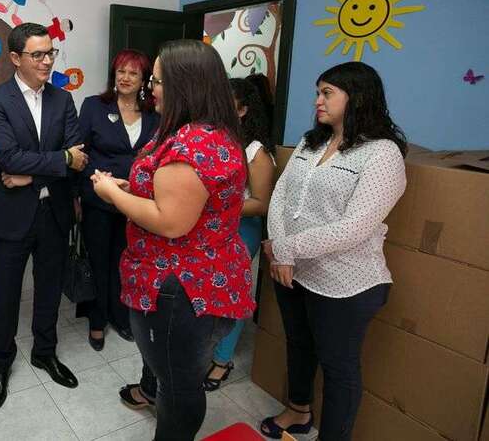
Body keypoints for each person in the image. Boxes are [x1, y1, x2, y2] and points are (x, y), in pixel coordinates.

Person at [91, 39, 254, 441]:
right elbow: (184, 198)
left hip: (180, 287)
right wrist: (134, 187)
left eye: (158, 82)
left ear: (186, 86)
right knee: (179, 376)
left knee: (178, 384)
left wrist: (112, 194)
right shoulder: (209, 133)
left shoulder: (190, 146)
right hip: (202, 277)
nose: (152, 90)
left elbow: (170, 222)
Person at [260, 61, 407, 440]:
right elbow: (280, 196)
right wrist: (282, 252)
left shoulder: (382, 154)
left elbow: (355, 227)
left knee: (338, 369)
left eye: (327, 93)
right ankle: (298, 411)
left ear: (356, 96)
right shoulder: (311, 142)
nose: (317, 101)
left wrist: (285, 247)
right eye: (317, 92)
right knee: (299, 345)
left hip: (345, 283)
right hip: (292, 271)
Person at [0, 22, 88, 411]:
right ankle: (1, 362)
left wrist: (33, 174)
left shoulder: (63, 99)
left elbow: (79, 157)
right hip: (11, 216)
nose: (46, 61)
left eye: (50, 53)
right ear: (15, 58)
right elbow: (10, 158)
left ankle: (45, 352)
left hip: (54, 212)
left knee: (49, 290)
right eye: (37, 54)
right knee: (6, 295)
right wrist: (60, 160)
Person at [77, 49, 159, 351]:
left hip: (136, 203)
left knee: (126, 261)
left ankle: (121, 315)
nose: (125, 78)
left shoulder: (155, 114)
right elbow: (80, 153)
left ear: (144, 80)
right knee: (99, 261)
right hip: (98, 200)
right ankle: (97, 319)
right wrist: (78, 195)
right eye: (121, 71)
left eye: (133, 73)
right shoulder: (94, 106)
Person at [203, 77, 276, 390]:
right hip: (210, 227)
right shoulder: (212, 140)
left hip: (240, 229)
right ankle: (206, 348)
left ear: (243, 110)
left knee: (230, 295)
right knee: (207, 290)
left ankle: (222, 361)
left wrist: (217, 205)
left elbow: (261, 203)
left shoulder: (256, 152)